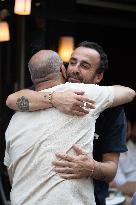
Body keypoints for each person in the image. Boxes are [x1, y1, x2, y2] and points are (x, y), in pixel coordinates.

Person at [6, 42, 135, 204]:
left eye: (84, 66)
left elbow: (111, 170)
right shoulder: (42, 95)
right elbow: (12, 100)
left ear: (98, 77)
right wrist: (55, 99)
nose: (75, 69)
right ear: (63, 68)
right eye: (72, 62)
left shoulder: (111, 109)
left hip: (90, 198)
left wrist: (92, 167)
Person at [110, 120, 136, 205]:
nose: (124, 132)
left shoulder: (131, 145)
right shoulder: (111, 152)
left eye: (127, 128)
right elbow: (119, 186)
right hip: (119, 193)